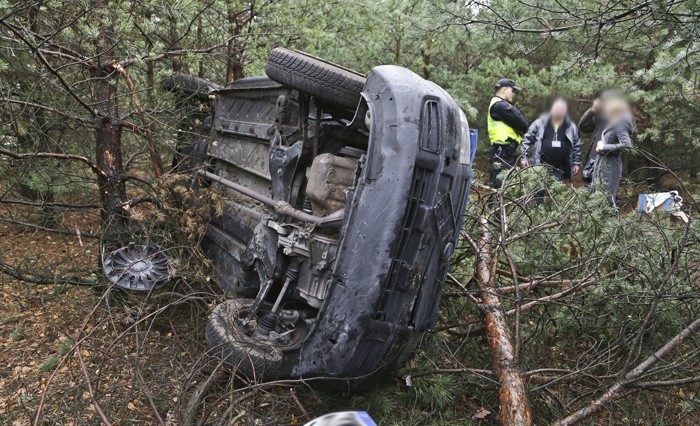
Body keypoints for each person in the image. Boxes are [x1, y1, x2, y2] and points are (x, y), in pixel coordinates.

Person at [520, 98, 582, 181]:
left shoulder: (571, 126)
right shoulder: (540, 123)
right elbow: (527, 140)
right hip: (539, 166)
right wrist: (524, 158)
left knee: (554, 191)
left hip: (559, 168)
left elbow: (577, 146)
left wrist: (576, 163)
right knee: (538, 191)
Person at [592, 96, 635, 208]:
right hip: (603, 164)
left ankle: (613, 224)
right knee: (600, 201)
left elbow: (627, 146)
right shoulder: (613, 122)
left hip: (611, 167)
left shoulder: (620, 124)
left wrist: (604, 147)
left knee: (608, 202)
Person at [487, 78, 529, 187]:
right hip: (503, 151)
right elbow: (523, 124)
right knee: (500, 186)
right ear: (504, 89)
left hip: (504, 151)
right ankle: (494, 204)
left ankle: (496, 204)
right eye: (513, 90)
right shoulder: (500, 105)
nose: (514, 94)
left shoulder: (497, 105)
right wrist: (520, 129)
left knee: (504, 185)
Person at [578, 95, 608, 184]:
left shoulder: (622, 119)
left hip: (607, 164)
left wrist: (607, 147)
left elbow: (627, 144)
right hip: (591, 161)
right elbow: (583, 126)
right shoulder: (601, 116)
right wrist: (592, 110)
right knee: (588, 193)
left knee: (604, 195)